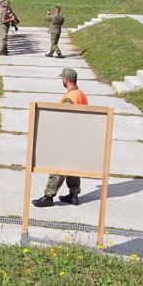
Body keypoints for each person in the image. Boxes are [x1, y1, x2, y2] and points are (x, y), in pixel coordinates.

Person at [32, 68, 89, 208]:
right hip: (79, 135)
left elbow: (65, 117)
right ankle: (74, 195)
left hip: (67, 137)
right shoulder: (81, 94)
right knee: (73, 166)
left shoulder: (69, 98)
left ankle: (49, 196)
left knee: (58, 167)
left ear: (65, 80)